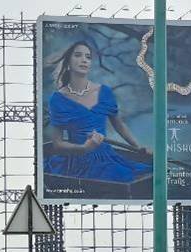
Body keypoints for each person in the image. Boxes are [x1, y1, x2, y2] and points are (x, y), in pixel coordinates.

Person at [44, 41, 152, 184]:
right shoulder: (58, 99)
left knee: (134, 173)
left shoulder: (105, 92)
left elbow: (119, 125)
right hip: (76, 160)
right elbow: (57, 144)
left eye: (88, 57)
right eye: (78, 55)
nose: (84, 60)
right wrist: (84, 148)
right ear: (68, 63)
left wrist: (138, 146)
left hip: (106, 157)